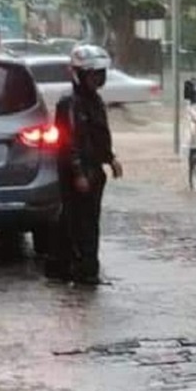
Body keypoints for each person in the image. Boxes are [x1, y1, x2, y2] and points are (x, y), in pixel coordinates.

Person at [46, 45, 123, 284]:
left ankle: (76, 268)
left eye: (101, 75)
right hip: (76, 172)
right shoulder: (69, 103)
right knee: (77, 221)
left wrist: (110, 158)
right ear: (79, 75)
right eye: (93, 75)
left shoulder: (95, 101)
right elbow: (68, 141)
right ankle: (80, 270)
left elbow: (100, 135)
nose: (98, 80)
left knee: (88, 221)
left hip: (93, 170)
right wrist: (78, 172)